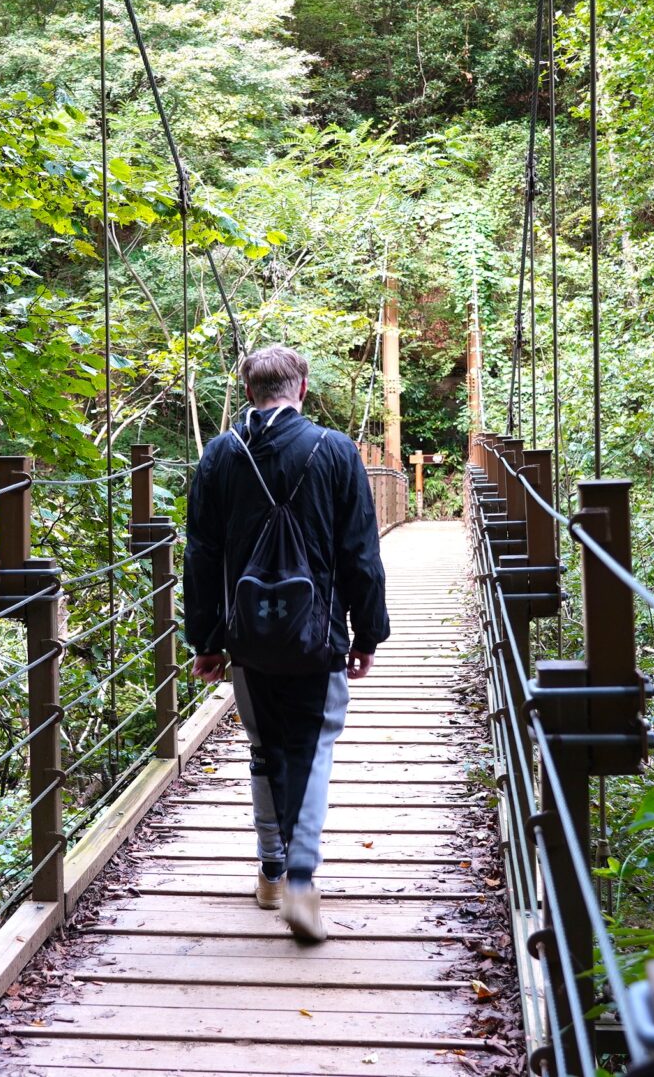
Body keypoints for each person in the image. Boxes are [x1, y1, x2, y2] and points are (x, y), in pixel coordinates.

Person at [184, 345, 389, 943]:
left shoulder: (219, 455)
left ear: (249, 392)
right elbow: (360, 553)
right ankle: (300, 876)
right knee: (312, 748)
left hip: (247, 637)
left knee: (264, 748)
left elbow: (201, 556)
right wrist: (367, 631)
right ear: (299, 388)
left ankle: (271, 871)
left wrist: (207, 637)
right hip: (317, 634)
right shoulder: (335, 450)